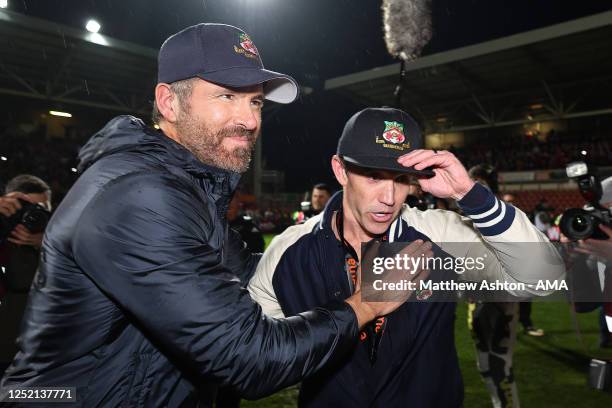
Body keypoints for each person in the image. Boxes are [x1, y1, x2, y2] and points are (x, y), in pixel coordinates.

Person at [0, 24, 410, 407]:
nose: (250, 119)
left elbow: (257, 276)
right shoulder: (139, 196)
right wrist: (364, 304)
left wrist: (343, 249)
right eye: (226, 96)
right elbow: (250, 356)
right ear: (169, 103)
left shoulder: (187, 190)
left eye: (255, 101)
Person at [248, 107, 564, 407]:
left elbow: (543, 279)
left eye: (401, 179)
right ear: (340, 170)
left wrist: (470, 195)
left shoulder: (441, 237)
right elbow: (252, 363)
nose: (389, 198)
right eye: (373, 176)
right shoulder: (289, 252)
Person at [0, 175, 52, 376]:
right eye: (25, 208)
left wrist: (48, 244)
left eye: (41, 210)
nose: (32, 216)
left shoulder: (62, 242)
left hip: (41, 356)